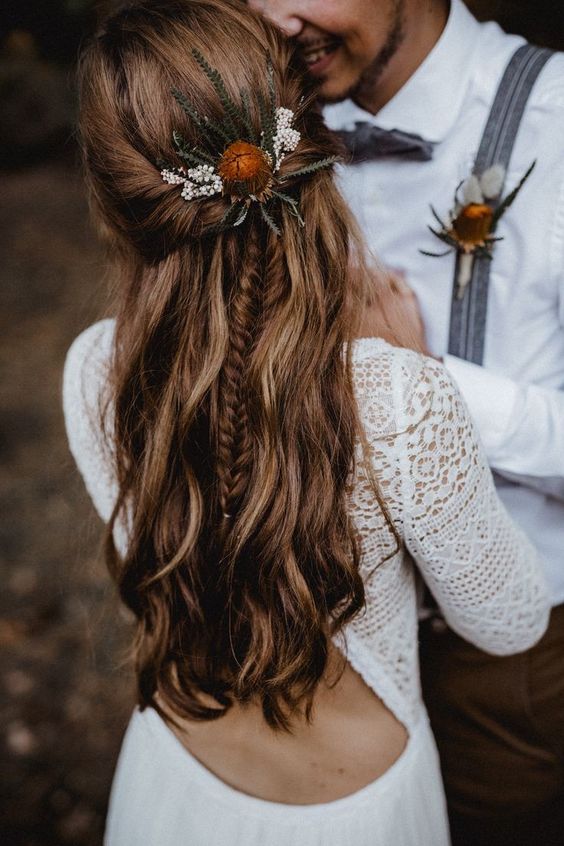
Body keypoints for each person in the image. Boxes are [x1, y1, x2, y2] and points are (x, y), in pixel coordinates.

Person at [63, 1, 549, 844]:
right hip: (365, 786)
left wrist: (433, 385)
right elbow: (509, 613)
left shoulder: (92, 369)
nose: (274, 16)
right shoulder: (390, 400)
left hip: (181, 769)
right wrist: (403, 394)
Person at [247, 0, 564, 843]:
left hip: (505, 657)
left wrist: (418, 383)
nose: (271, 19)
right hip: (321, 631)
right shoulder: (262, 123)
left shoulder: (558, 126)